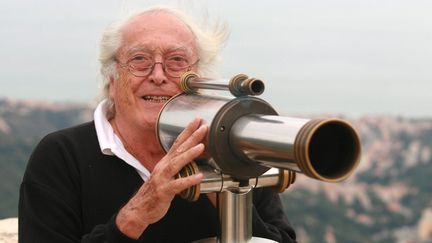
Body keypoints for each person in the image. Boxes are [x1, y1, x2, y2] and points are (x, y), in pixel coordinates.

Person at [18, 6, 297, 243]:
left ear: (199, 79)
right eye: (139, 60)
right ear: (111, 79)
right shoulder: (61, 155)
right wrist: (135, 216)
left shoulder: (230, 148)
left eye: (177, 61)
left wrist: (225, 192)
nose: (159, 75)